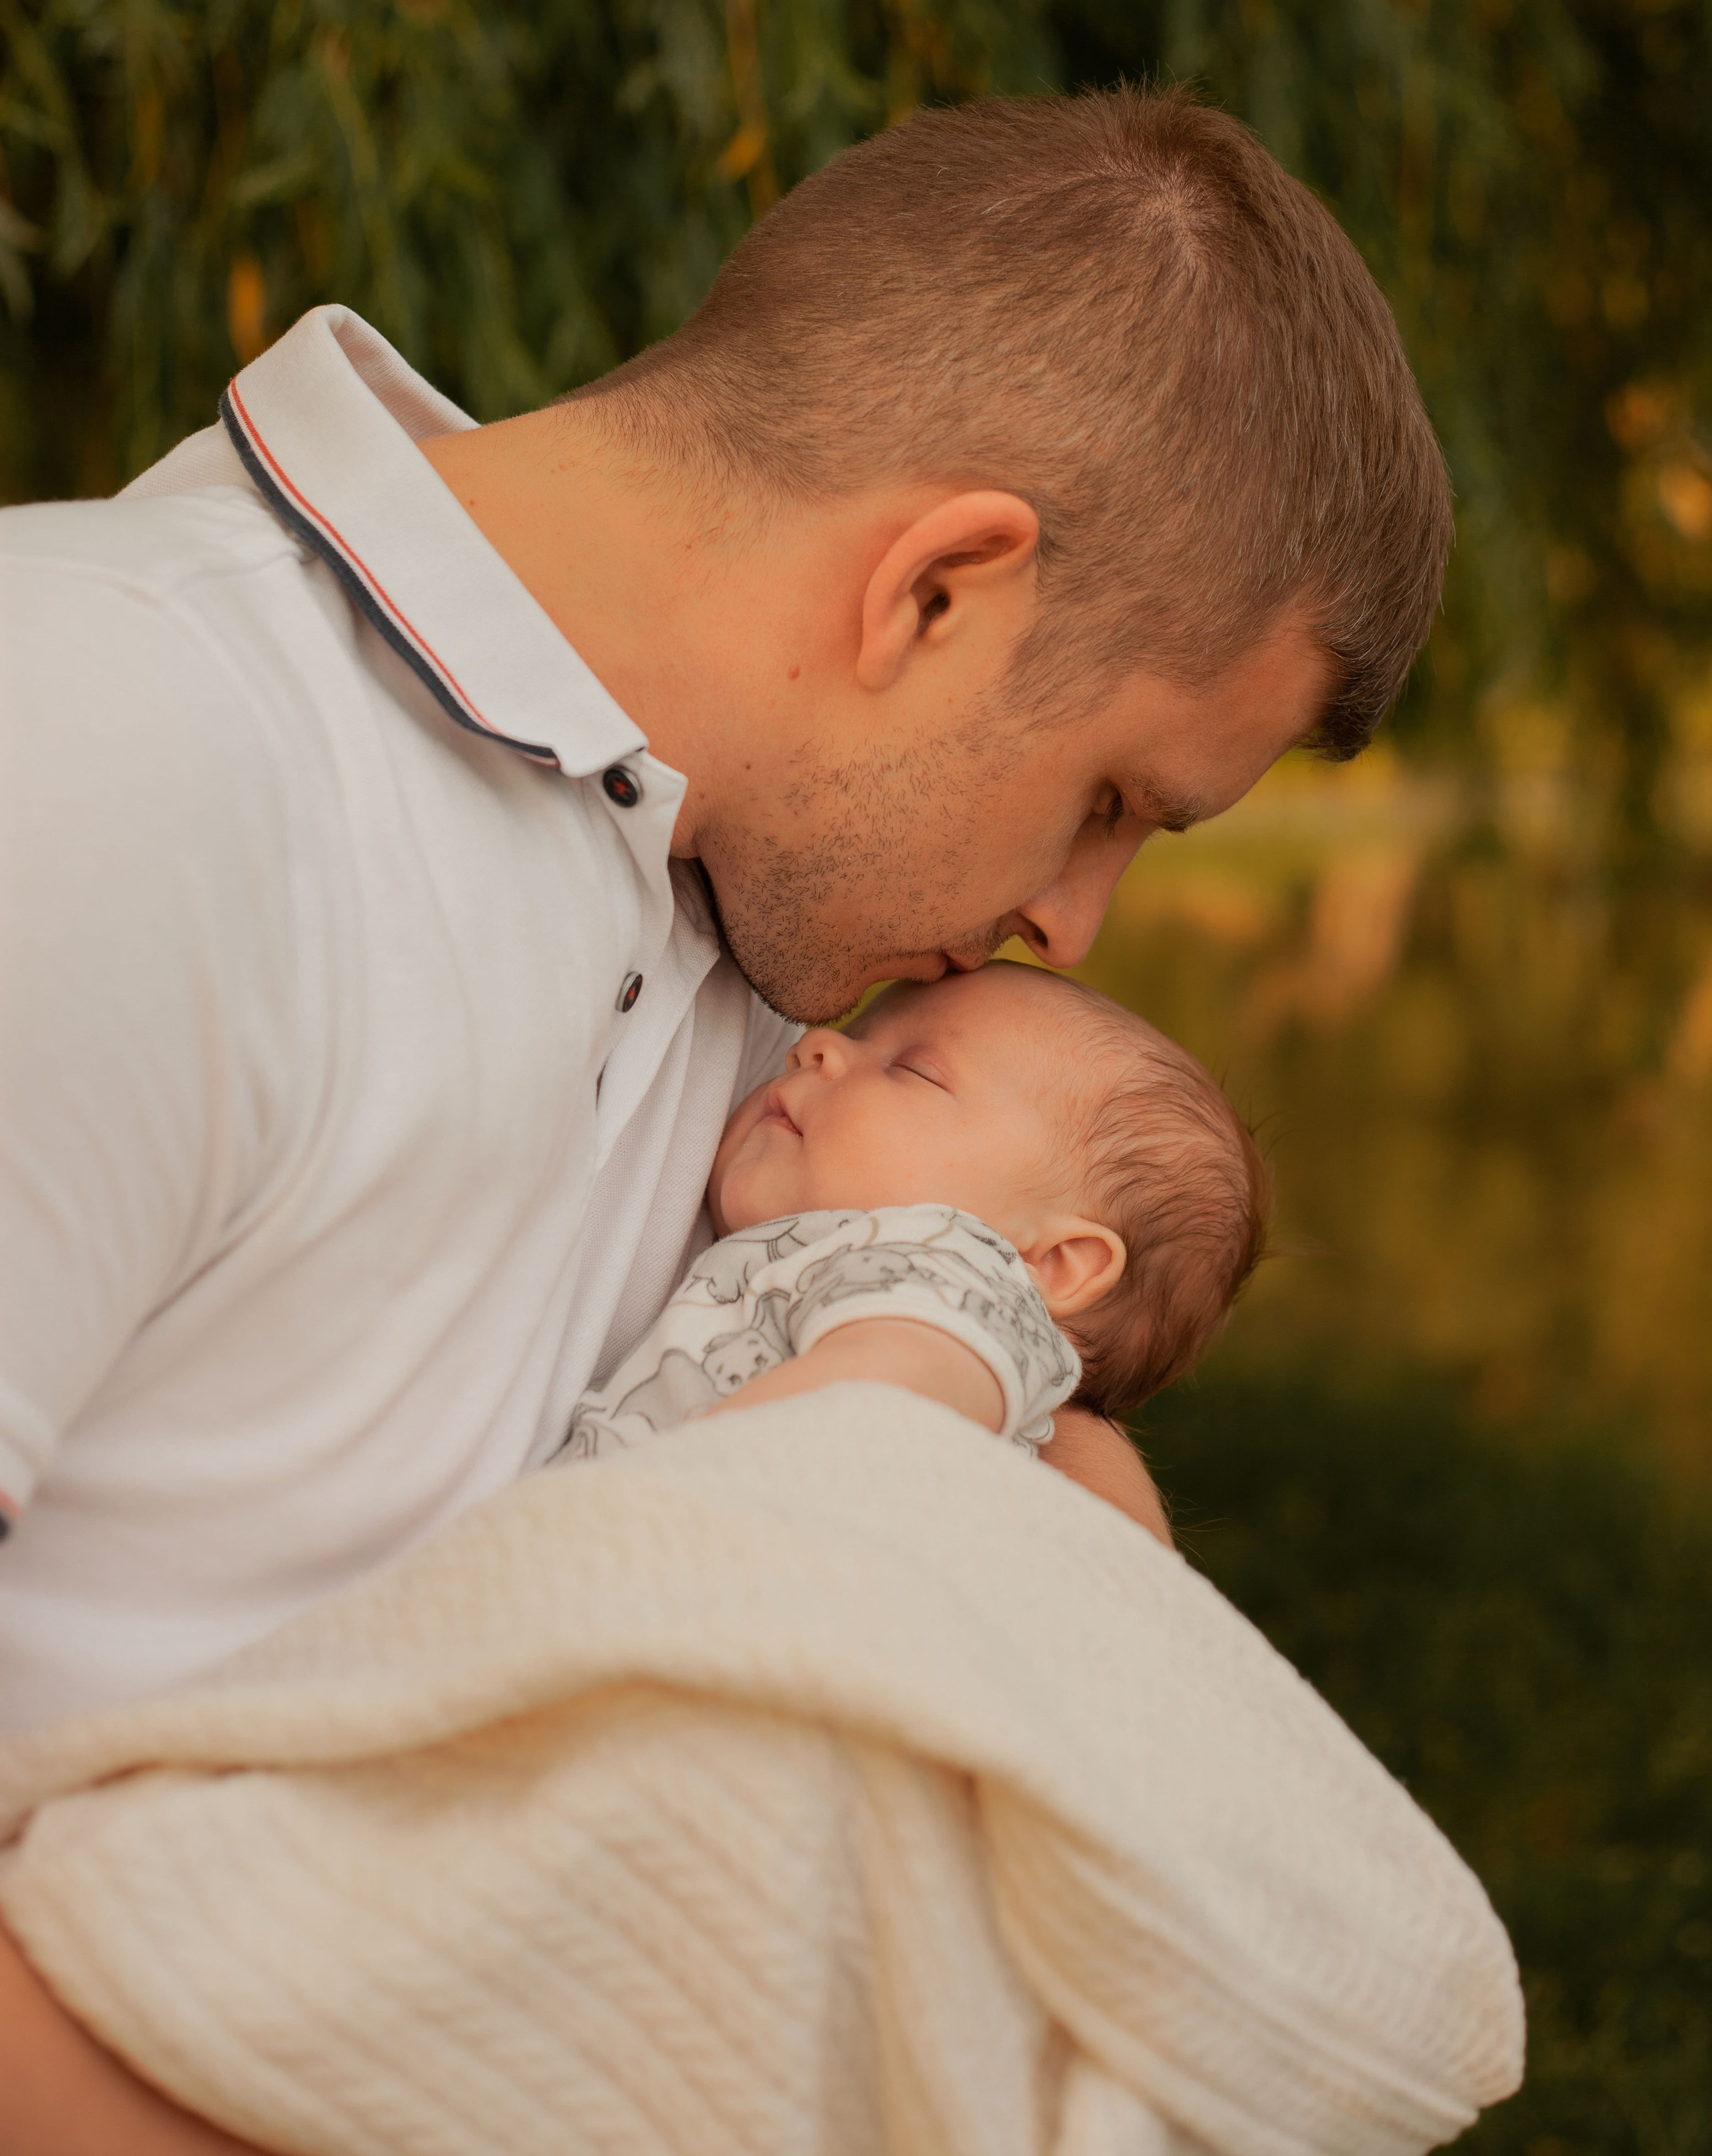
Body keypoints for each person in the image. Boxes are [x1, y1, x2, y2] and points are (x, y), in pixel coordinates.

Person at [0, 86, 1452, 1745]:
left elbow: (972, 1393)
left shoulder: (767, 932)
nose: (1071, 925)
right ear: (935, 594)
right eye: (1107, 801)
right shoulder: (98, 744)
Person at [566, 961, 1265, 1459]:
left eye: (914, 1070)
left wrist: (679, 1488)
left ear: (1053, 1263)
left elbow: (883, 1395)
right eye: (857, 1032)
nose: (815, 1046)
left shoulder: (960, 1274)